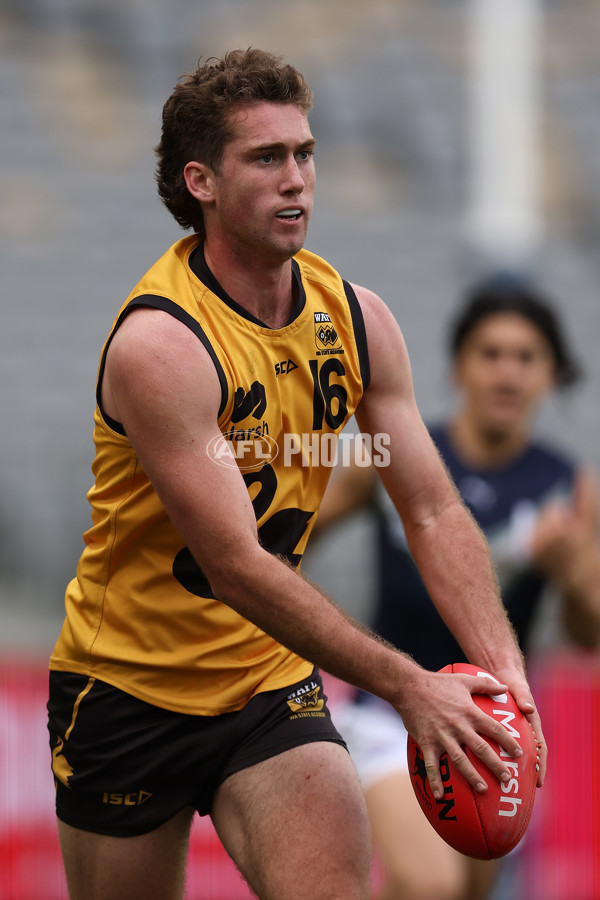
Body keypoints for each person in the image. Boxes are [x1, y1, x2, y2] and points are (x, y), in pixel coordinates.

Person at [46, 50, 544, 900]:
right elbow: (238, 567)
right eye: (267, 159)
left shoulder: (355, 318)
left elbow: (427, 508)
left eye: (305, 155)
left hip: (267, 683)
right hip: (130, 688)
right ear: (200, 181)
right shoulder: (162, 347)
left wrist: (510, 682)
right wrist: (405, 686)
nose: (297, 181)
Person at [313, 275, 600, 900]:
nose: (507, 373)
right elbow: (289, 541)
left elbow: (587, 636)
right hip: (388, 712)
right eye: (490, 353)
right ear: (457, 367)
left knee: (467, 889)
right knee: (428, 882)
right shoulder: (399, 455)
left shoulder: (568, 488)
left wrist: (575, 568)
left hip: (494, 729)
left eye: (526, 358)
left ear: (550, 374)